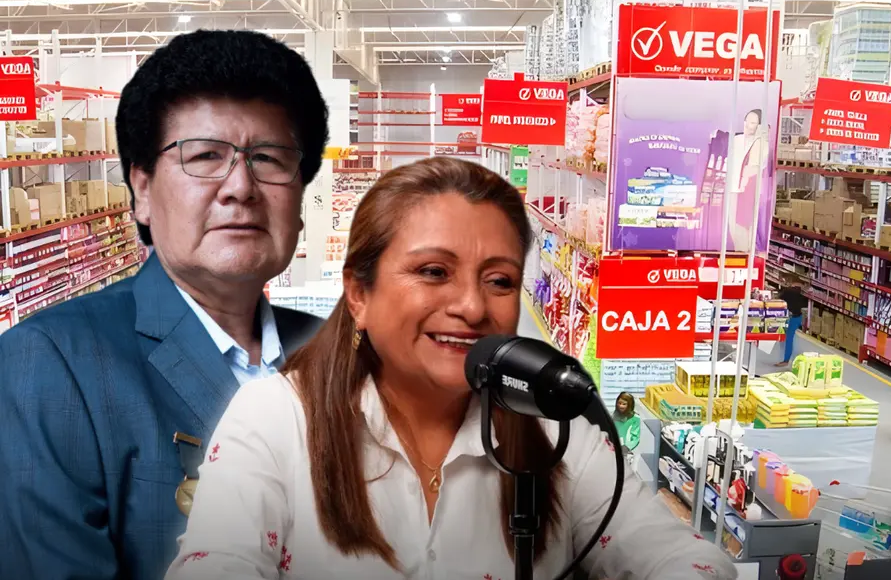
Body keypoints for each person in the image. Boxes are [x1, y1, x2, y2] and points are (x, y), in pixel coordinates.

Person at [166, 157, 738, 580]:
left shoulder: (559, 438)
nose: (471, 306)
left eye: (499, 280)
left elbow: (676, 556)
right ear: (359, 294)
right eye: (434, 272)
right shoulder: (274, 422)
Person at [0, 30, 328, 580]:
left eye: (269, 158)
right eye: (205, 156)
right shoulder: (48, 365)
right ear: (143, 191)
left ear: (299, 200)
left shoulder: (337, 350)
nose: (240, 187)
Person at [727, 109, 768, 252]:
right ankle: (740, 250)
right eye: (748, 121)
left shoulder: (761, 144)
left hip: (748, 190)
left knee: (744, 225)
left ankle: (745, 252)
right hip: (733, 188)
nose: (748, 125)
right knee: (733, 225)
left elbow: (755, 167)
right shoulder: (736, 140)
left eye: (753, 123)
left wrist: (745, 177)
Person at [776, 274, 807, 367]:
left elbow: (778, 301)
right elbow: (804, 304)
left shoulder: (787, 291)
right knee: (791, 338)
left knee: (786, 339)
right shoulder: (802, 293)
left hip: (789, 318)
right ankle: (794, 360)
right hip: (798, 317)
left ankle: (786, 360)